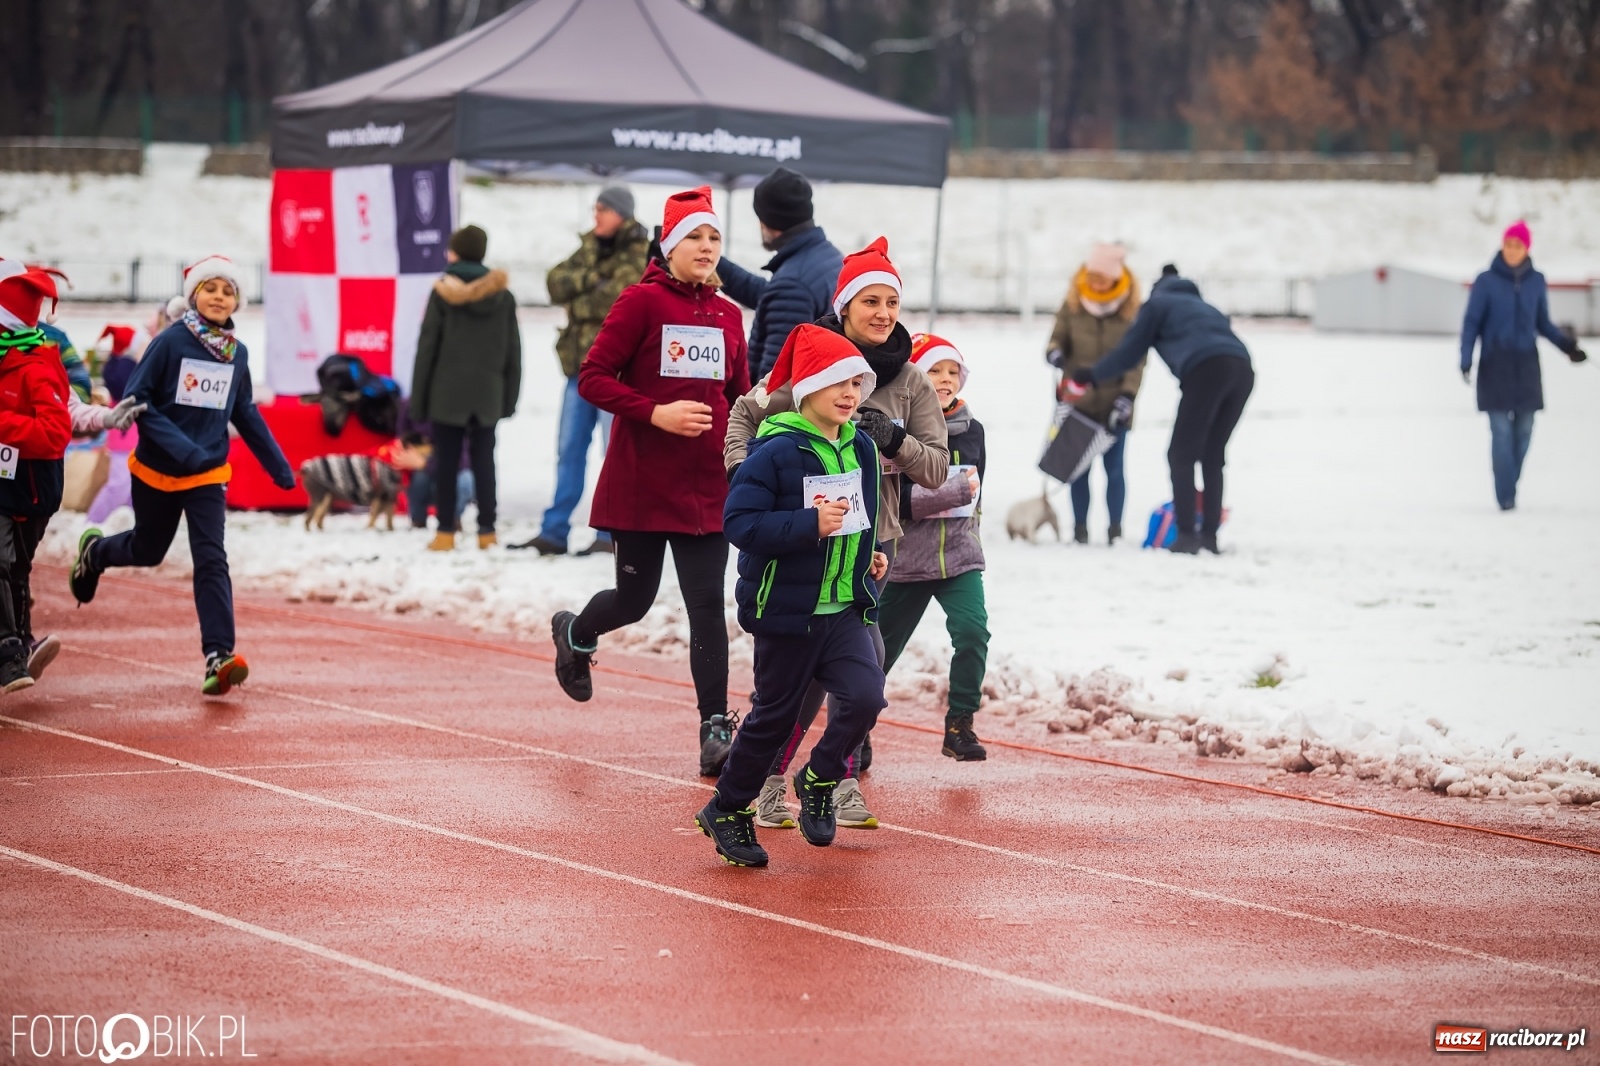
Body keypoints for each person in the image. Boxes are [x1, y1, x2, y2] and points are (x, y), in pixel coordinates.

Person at [725, 236, 949, 831]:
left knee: (861, 672)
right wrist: (749, 473)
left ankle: (835, 779)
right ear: (844, 305)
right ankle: (770, 779)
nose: (881, 313)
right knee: (798, 680)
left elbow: (936, 467)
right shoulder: (814, 361)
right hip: (798, 542)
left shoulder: (909, 381)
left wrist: (893, 439)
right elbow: (748, 411)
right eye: (869, 301)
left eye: (891, 303)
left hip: (875, 537)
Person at [549, 186, 751, 776]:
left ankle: (715, 729)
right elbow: (592, 377)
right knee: (634, 602)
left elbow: (738, 397)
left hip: (707, 487)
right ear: (668, 245)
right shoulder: (640, 303)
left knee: (707, 605)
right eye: (695, 236)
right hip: (642, 482)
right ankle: (576, 632)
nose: (707, 247)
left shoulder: (729, 315)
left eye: (715, 237)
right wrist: (655, 412)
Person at [698, 324, 889, 867]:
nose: (850, 394)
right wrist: (809, 525)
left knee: (866, 697)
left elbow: (860, 519)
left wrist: (866, 555)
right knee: (774, 719)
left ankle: (819, 776)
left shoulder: (865, 451)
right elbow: (740, 522)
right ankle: (728, 808)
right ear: (808, 389)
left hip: (845, 607)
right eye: (838, 383)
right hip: (787, 611)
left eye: (857, 383)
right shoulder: (776, 452)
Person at [68, 255, 295, 695]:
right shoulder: (170, 343)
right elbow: (134, 402)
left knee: (212, 558)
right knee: (148, 549)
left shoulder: (237, 354)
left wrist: (277, 465)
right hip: (158, 468)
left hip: (209, 472)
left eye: (228, 292)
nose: (219, 297)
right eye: (211, 288)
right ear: (194, 295)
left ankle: (219, 656)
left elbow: (244, 410)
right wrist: (182, 449)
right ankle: (95, 553)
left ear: (236, 304)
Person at [1070, 264, 1253, 555]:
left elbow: (1128, 353)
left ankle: (1186, 537)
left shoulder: (1156, 305)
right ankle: (1208, 537)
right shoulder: (1206, 307)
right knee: (1212, 455)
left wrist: (1089, 375)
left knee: (1180, 455)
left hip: (1205, 369)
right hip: (1243, 370)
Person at [518, 186, 650, 556]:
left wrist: (584, 289)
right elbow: (553, 282)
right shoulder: (592, 246)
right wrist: (593, 281)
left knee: (615, 455)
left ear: (620, 214)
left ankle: (610, 534)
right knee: (568, 451)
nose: (596, 217)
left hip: (617, 375)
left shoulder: (638, 251)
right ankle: (554, 531)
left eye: (602, 211)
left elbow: (617, 299)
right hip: (579, 370)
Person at [880, 333, 990, 762]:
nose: (945, 380)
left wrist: (953, 493)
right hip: (905, 561)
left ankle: (960, 724)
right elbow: (897, 500)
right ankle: (855, 727)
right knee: (877, 652)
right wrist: (947, 492)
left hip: (960, 558)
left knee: (973, 632)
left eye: (952, 372)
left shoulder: (972, 429)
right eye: (933, 370)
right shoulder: (895, 431)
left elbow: (975, 490)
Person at [1460, 220, 1588, 511]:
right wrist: (1466, 358)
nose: (1512, 250)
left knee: (1525, 429)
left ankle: (1510, 485)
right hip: (1495, 363)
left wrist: (1568, 347)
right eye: (1508, 244)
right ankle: (1505, 496)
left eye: (1518, 245)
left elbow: (1542, 323)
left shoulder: (1536, 280)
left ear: (1526, 248)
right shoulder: (1485, 281)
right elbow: (1471, 323)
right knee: (1501, 431)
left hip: (1526, 365)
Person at [410, 224, 522, 552]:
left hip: (446, 395)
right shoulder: (503, 297)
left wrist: (420, 400)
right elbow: (513, 351)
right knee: (485, 461)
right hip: (487, 394)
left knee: (446, 462)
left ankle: (445, 531)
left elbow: (427, 347)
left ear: (456, 252)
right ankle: (487, 530)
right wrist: (509, 398)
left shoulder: (442, 293)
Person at [0, 260, 72, 693]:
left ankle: (16, 647)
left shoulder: (35, 364)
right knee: (3, 563)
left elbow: (54, 433)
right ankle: (12, 651)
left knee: (14, 565)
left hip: (30, 485)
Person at [1047, 243, 1144, 544]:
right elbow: (1056, 339)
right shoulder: (1073, 303)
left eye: (1103, 278)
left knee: (1115, 471)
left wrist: (1127, 396)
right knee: (1078, 470)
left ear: (1116, 278)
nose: (1096, 283)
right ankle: (1080, 530)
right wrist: (1055, 354)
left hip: (1115, 405)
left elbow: (1137, 359)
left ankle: (1115, 530)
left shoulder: (1133, 311)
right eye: (1092, 276)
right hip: (1079, 402)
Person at [717, 166, 844, 383]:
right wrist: (712, 262)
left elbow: (774, 382)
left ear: (767, 221)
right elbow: (770, 298)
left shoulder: (792, 284)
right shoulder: (828, 258)